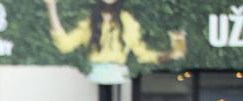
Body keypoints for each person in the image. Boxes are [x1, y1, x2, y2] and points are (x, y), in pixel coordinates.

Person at [44, 0, 184, 67]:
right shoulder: (90, 21)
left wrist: (169, 55)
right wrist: (51, 7)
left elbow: (142, 54)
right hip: (96, 79)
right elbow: (64, 44)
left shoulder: (127, 21)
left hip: (118, 78)